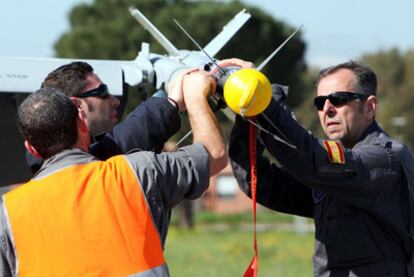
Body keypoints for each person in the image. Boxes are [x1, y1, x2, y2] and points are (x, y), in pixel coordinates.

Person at [0, 69, 227, 276]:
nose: (115, 100)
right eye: (103, 92)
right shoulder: (137, 172)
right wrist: (196, 96)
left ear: (31, 148)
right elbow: (213, 156)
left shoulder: (7, 215)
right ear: (81, 118)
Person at [229, 61, 414, 276]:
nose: (327, 109)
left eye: (339, 99)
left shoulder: (385, 159)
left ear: (370, 107)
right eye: (320, 102)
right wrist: (247, 115)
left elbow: (314, 161)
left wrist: (266, 102)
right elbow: (262, 184)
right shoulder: (331, 175)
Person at [26, 61, 181, 173]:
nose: (115, 101)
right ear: (77, 106)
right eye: (102, 92)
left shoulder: (44, 167)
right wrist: (171, 99)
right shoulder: (87, 165)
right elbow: (119, 143)